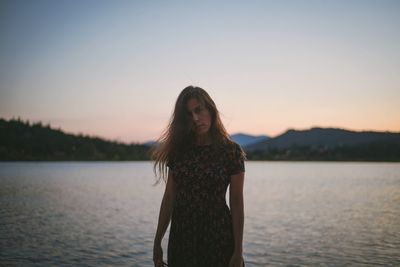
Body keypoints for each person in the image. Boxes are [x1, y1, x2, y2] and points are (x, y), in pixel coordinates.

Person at [152, 86, 246, 267]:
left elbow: (237, 203)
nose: (195, 118)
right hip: (182, 237)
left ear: (210, 109)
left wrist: (238, 251)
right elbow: (169, 197)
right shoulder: (180, 151)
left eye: (199, 110)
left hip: (218, 236)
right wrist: (157, 241)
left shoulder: (231, 151)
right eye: (189, 114)